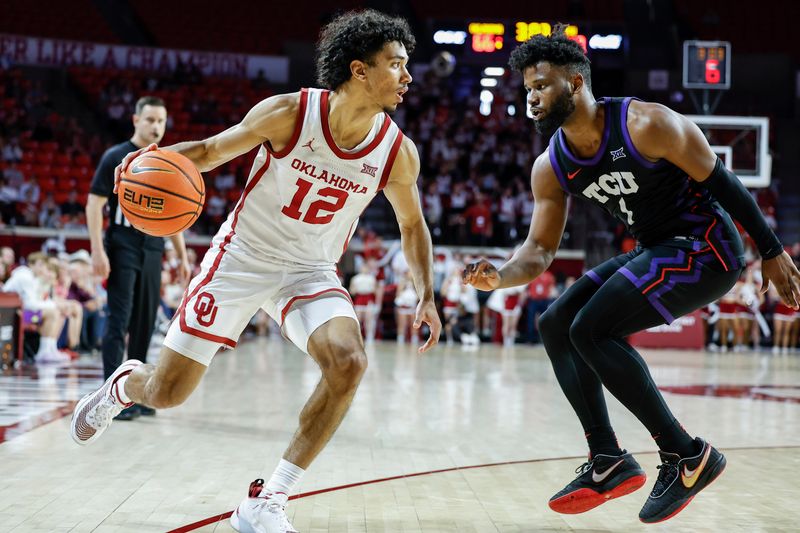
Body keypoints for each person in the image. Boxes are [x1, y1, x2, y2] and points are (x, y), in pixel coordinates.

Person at [71, 10, 440, 533]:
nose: (407, 77)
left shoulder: (398, 153)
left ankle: (267, 500)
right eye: (397, 65)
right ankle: (124, 387)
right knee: (169, 394)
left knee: (349, 362)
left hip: (311, 271)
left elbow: (412, 224)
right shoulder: (290, 112)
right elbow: (206, 151)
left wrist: (426, 293)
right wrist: (140, 171)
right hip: (242, 258)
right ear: (359, 71)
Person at [463, 29, 800, 524]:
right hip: (654, 249)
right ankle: (607, 460)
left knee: (591, 329)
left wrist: (770, 250)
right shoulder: (550, 165)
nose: (532, 99)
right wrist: (502, 276)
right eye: (527, 90)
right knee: (557, 323)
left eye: (541, 86)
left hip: (707, 247)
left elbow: (723, 182)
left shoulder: (646, 124)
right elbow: (538, 249)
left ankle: (686, 456)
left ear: (576, 82)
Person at [85, 96, 191, 421]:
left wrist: (181, 256)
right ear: (135, 120)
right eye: (150, 120)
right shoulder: (115, 156)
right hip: (121, 243)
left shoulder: (167, 161)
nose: (156, 126)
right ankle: (109, 396)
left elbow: (174, 213)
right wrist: (97, 250)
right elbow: (93, 204)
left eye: (161, 120)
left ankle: (137, 392)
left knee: (145, 321)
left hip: (154, 247)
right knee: (120, 319)